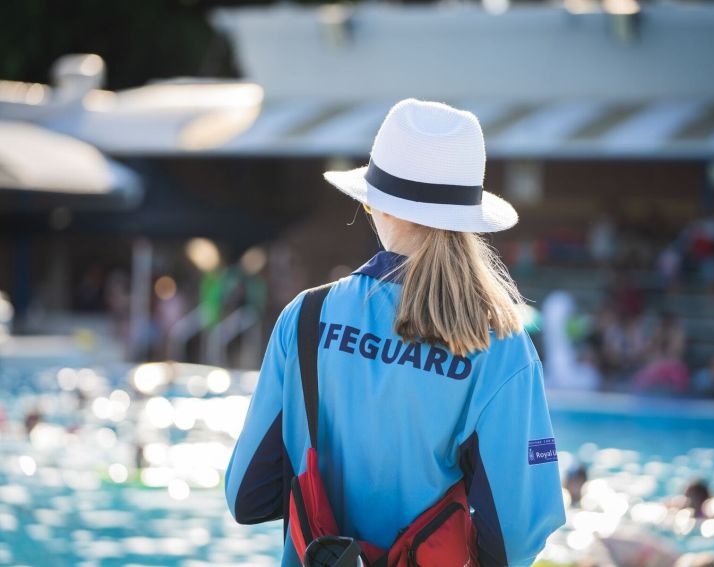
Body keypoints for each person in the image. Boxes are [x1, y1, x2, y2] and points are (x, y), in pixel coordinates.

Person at [225, 99, 566, 566]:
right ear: (467, 219)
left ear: (372, 203)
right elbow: (515, 537)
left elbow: (248, 496)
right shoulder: (501, 347)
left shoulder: (305, 318)